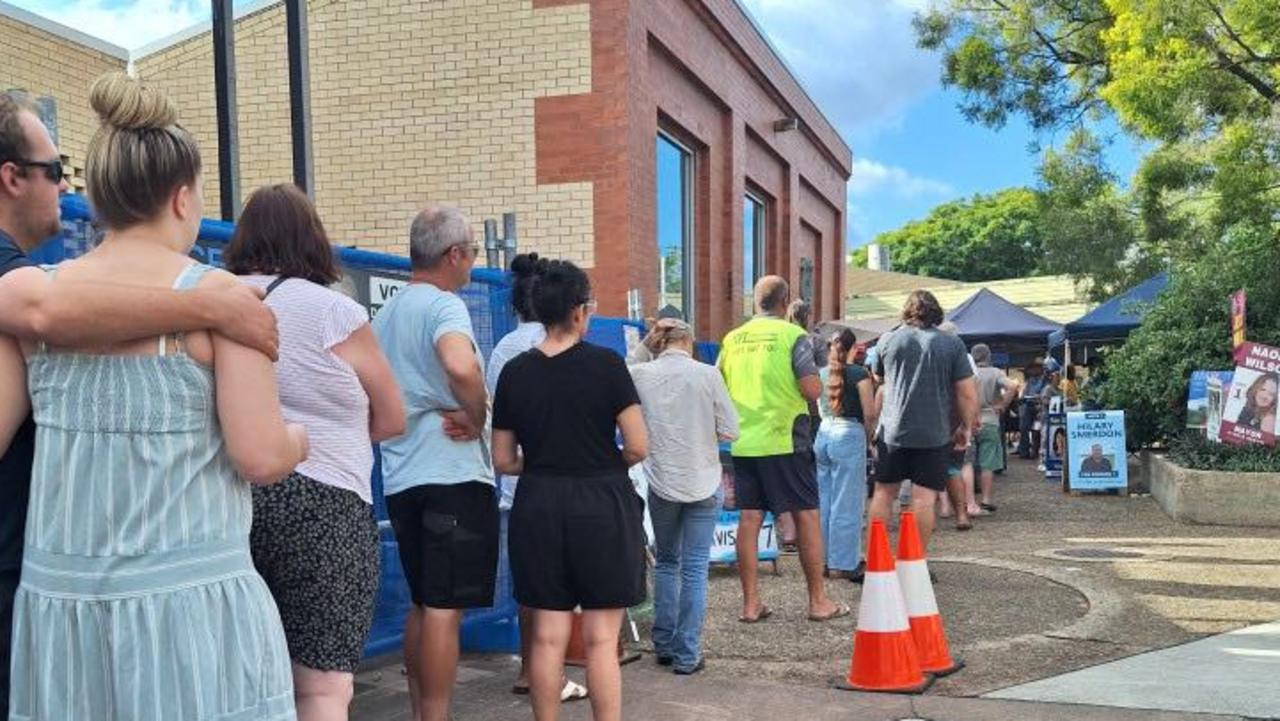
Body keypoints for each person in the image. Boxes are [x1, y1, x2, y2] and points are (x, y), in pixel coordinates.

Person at [1, 72, 308, 721]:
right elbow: (258, 454)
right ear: (181, 197)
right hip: (193, 610)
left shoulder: (39, 306)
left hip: (65, 611)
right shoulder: (225, 304)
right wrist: (300, 440)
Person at [224, 184, 407, 721]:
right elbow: (392, 417)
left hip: (232, 497)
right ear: (313, 241)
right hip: (328, 507)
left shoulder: (216, 300)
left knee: (240, 678)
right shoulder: (335, 311)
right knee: (322, 688)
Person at [491, 259, 649, 721]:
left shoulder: (515, 372)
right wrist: (602, 461)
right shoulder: (606, 365)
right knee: (601, 639)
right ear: (581, 312)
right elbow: (638, 446)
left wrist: (540, 463)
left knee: (546, 637)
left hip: (538, 502)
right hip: (601, 502)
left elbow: (502, 459)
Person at [374, 206, 497, 721]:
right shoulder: (445, 307)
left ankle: (423, 711)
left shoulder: (384, 316)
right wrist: (476, 413)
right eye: (472, 250)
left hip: (403, 476)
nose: (473, 260)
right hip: (451, 475)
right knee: (446, 607)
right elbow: (459, 363)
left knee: (424, 603)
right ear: (454, 255)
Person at [485, 253, 588, 703]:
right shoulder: (567, 349)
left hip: (516, 482)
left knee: (529, 585)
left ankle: (531, 667)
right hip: (563, 479)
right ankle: (549, 670)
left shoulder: (504, 349)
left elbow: (496, 418)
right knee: (561, 590)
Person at [718, 276, 847, 623]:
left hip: (744, 441)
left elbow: (719, 384)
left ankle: (750, 604)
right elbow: (809, 390)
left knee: (749, 518)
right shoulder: (793, 336)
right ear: (784, 301)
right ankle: (818, 601)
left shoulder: (732, 339)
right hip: (785, 438)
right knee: (806, 514)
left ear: (754, 302)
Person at [630, 318, 739, 675]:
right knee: (694, 568)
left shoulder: (641, 374)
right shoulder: (707, 375)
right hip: (703, 480)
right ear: (689, 341)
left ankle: (663, 643)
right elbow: (730, 429)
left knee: (666, 561)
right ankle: (687, 653)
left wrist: (646, 343)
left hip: (661, 480)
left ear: (659, 341)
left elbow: (625, 370)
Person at [868, 290, 977, 551]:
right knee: (924, 499)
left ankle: (878, 560)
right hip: (934, 433)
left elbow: (877, 378)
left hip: (892, 432)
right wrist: (965, 427)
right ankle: (913, 563)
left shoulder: (887, 340)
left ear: (907, 312)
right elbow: (967, 393)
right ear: (936, 313)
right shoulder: (952, 344)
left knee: (883, 493)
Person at [815, 328, 876, 581]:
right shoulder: (860, 374)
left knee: (825, 501)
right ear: (854, 348)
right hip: (849, 432)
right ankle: (843, 562)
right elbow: (870, 413)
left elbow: (820, 409)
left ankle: (823, 560)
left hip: (824, 432)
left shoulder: (822, 373)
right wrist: (869, 437)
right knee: (847, 504)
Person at [970, 344, 1020, 514]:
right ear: (989, 356)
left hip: (968, 421)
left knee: (966, 464)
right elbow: (1013, 386)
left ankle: (966, 502)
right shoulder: (996, 372)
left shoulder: (967, 372)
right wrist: (1002, 405)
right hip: (990, 420)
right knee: (987, 463)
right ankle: (985, 500)